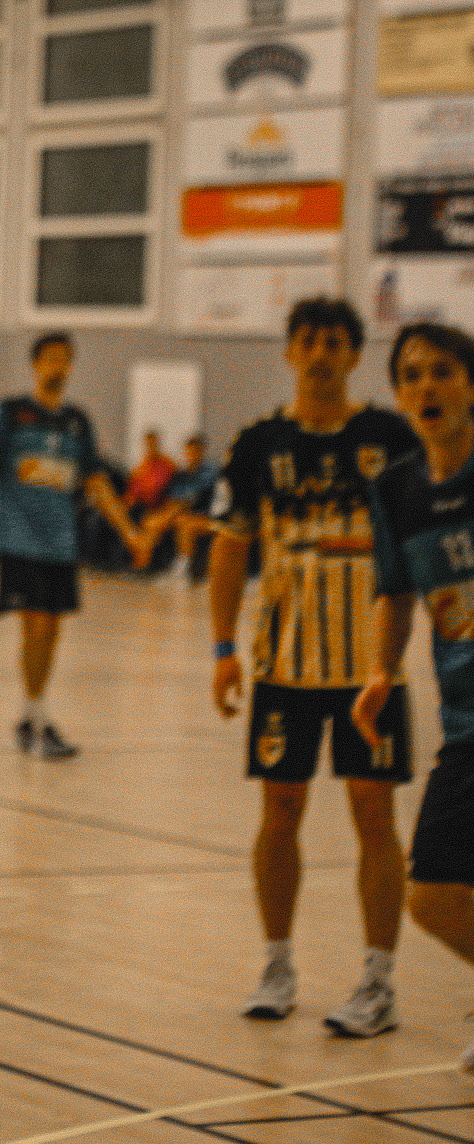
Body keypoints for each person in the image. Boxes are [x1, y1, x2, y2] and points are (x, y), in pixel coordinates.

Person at [209, 296, 419, 1033]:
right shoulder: (259, 442)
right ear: (291, 351)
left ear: (355, 354)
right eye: (310, 340)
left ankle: (379, 980)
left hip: (371, 669)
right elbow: (231, 545)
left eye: (336, 340)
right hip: (282, 666)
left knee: (373, 813)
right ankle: (276, 965)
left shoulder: (391, 438)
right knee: (281, 811)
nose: (323, 352)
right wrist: (224, 649)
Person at [354, 321, 474, 1073]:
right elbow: (395, 594)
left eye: (442, 371)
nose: (426, 386)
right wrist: (379, 672)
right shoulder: (396, 488)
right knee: (430, 896)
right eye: (411, 375)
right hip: (463, 719)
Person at [0, 332, 142, 759]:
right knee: (35, 624)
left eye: (65, 360)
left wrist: (130, 531)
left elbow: (96, 483)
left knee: (50, 632)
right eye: (51, 359)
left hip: (62, 543)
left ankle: (32, 716)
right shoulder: (10, 413)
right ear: (36, 364)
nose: (58, 366)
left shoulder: (77, 421)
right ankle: (36, 719)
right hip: (20, 540)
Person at [131, 434, 219, 577]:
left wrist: (173, 510)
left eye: (195, 452)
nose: (191, 455)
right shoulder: (182, 473)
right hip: (178, 513)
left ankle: (183, 564)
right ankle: (144, 563)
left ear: (202, 451)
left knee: (183, 523)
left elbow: (195, 498)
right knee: (150, 521)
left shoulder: (209, 471)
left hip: (203, 515)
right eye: (189, 452)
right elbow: (173, 496)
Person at [125, 429, 178, 520]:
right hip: (138, 507)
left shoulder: (167, 465)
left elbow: (157, 489)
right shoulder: (140, 468)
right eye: (148, 445)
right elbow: (131, 490)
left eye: (153, 444)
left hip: (157, 508)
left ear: (157, 444)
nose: (150, 448)